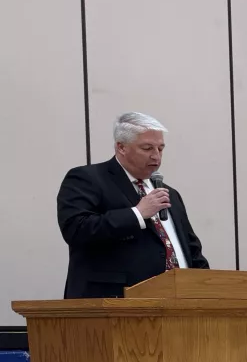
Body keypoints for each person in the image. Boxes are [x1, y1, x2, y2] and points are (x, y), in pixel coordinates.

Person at [56, 111, 209, 298]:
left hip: (177, 304)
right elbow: (77, 230)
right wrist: (137, 214)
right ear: (121, 147)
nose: (156, 156)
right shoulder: (87, 179)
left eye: (160, 149)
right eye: (147, 148)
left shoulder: (169, 194)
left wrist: (205, 289)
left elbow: (192, 249)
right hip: (114, 303)